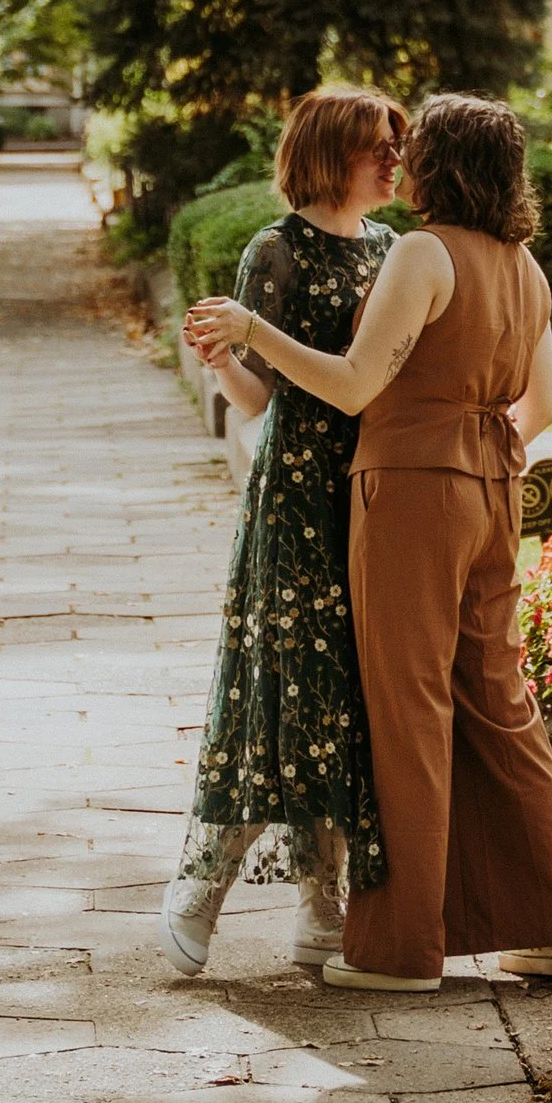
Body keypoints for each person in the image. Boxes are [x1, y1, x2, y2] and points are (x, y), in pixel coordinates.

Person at [186, 92, 552, 993]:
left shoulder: (422, 252)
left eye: (416, 146)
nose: (400, 160)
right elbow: (543, 407)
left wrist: (251, 330)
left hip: (410, 492)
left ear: (444, 163)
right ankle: (549, 928)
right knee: (501, 700)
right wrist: (481, 456)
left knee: (405, 713)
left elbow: (356, 385)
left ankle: (399, 950)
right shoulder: (525, 266)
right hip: (494, 488)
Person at [159, 85, 407, 978]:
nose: (394, 159)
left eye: (397, 144)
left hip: (370, 487)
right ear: (331, 153)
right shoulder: (275, 251)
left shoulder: (392, 248)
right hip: (298, 493)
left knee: (345, 696)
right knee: (278, 687)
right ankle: (203, 884)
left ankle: (320, 902)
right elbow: (258, 401)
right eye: (377, 146)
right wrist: (223, 360)